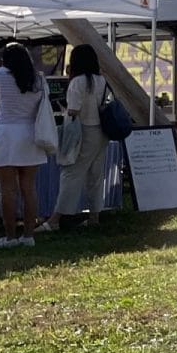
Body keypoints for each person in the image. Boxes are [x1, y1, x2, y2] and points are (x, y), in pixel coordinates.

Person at [0, 42, 51, 247]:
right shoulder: (38, 79)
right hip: (30, 134)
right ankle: (29, 235)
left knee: (7, 189)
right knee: (29, 188)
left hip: (6, 133)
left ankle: (10, 236)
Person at [45, 44, 111, 231]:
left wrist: (63, 111)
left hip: (83, 131)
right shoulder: (101, 80)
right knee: (95, 176)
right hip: (102, 131)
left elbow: (73, 110)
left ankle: (57, 218)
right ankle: (94, 216)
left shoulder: (77, 82)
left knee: (71, 173)